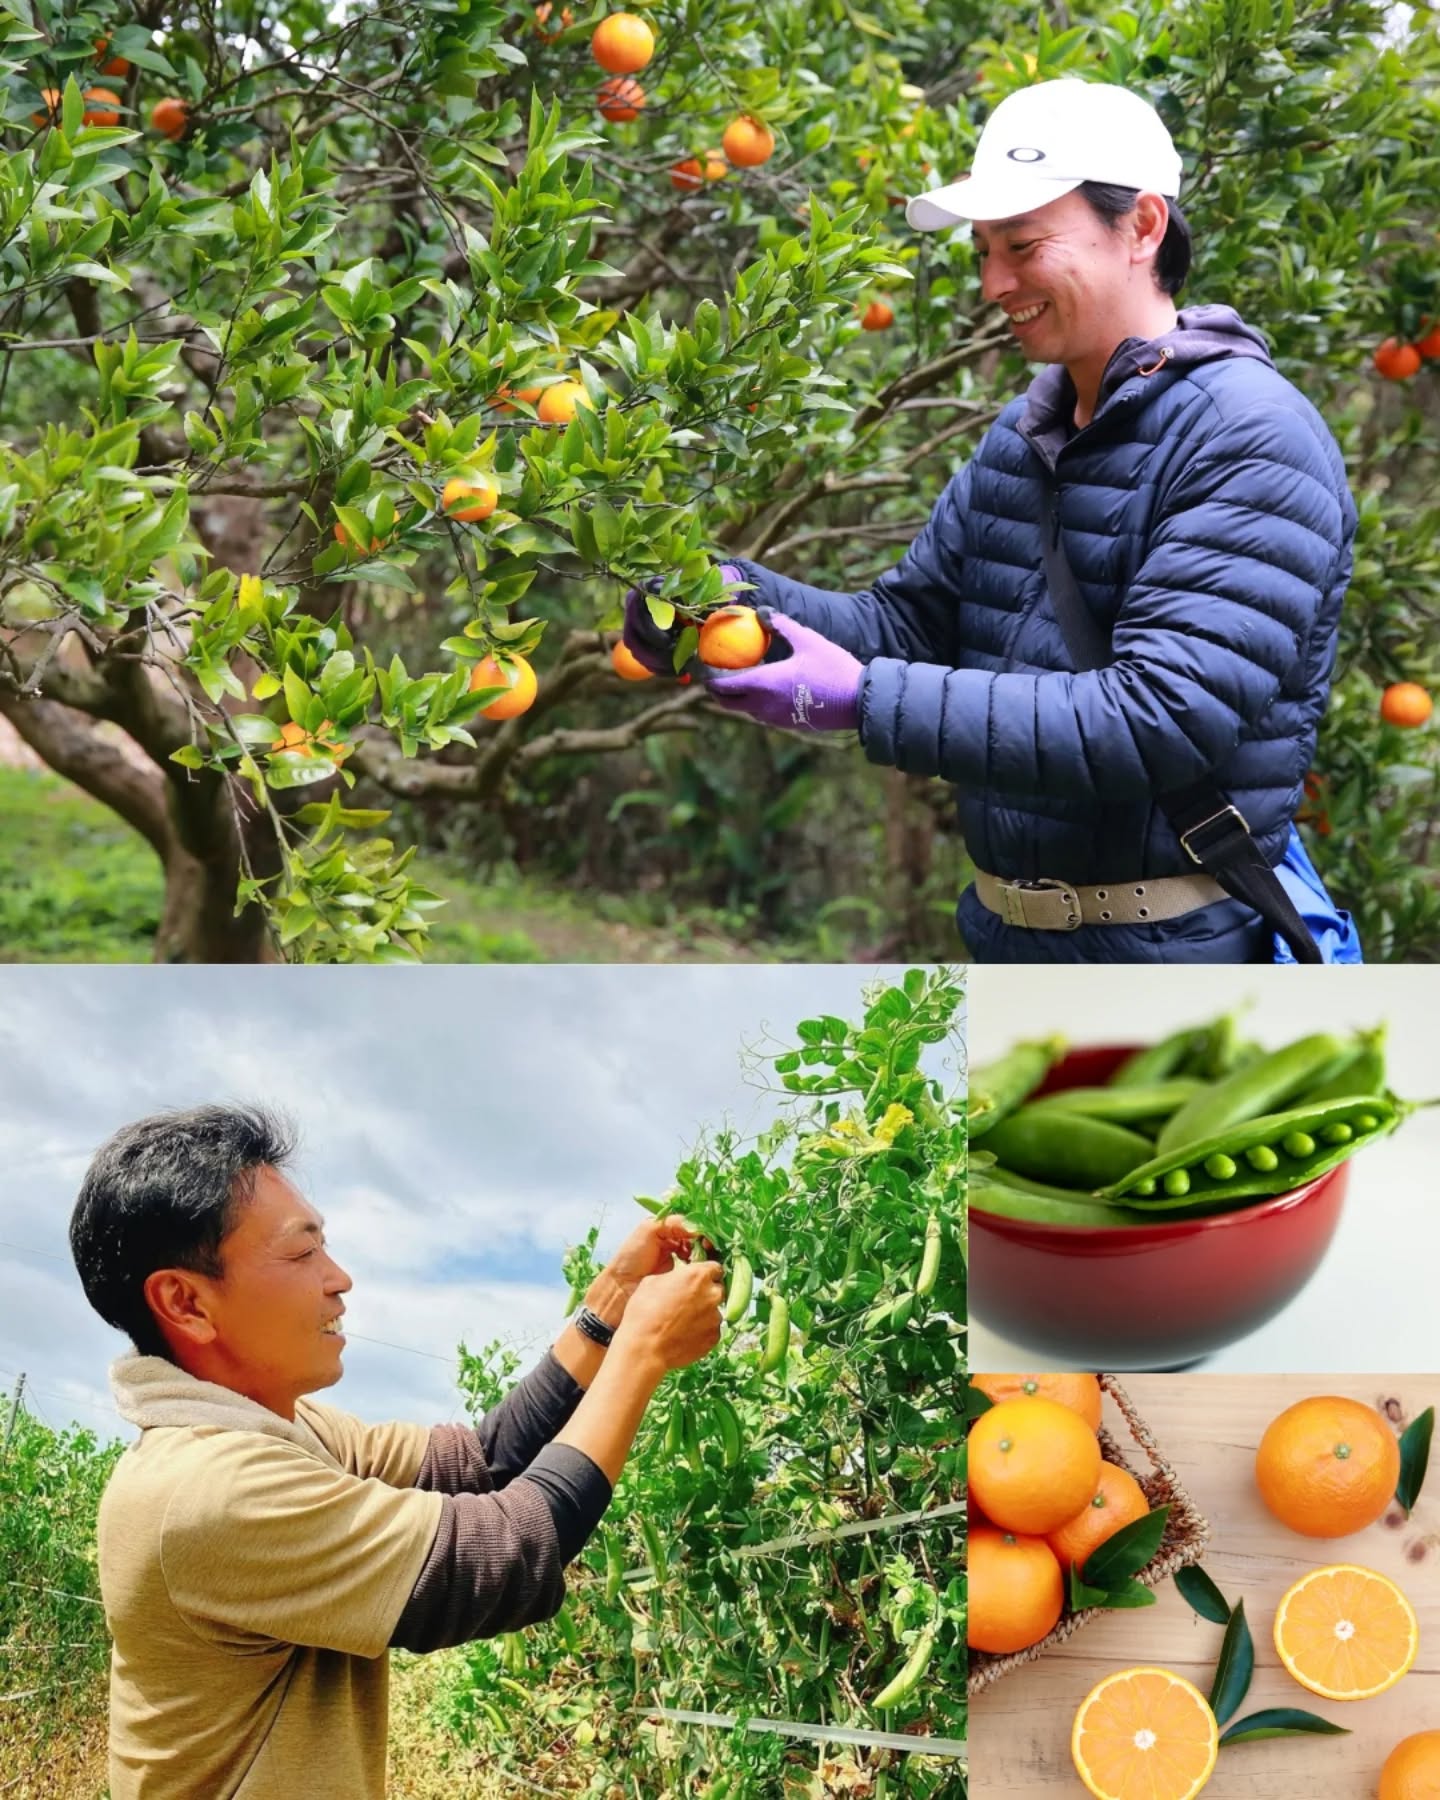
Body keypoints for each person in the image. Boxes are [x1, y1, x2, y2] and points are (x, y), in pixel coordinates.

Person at [624, 77, 1359, 965]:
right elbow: (908, 625)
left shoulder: (1251, 437)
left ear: (1144, 227)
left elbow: (1157, 719)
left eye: (1023, 244)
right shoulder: (1030, 433)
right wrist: (726, 593)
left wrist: (864, 703)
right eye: (982, 251)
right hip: (1009, 936)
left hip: (1169, 952)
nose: (994, 283)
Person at [68, 1103, 723, 1800]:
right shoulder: (204, 1490)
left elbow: (478, 1463)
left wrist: (610, 1304)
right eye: (302, 1251)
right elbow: (500, 1559)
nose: (339, 1278)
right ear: (187, 1303)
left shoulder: (288, 1434)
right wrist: (643, 1352)